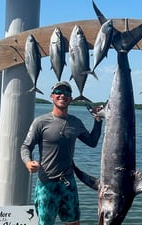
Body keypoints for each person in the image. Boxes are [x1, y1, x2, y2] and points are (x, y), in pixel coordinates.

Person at [21, 81, 103, 225]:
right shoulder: (40, 122)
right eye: (58, 92)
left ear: (71, 99)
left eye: (67, 93)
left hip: (68, 183)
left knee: (73, 222)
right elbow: (25, 147)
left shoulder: (75, 122)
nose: (62, 95)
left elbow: (92, 142)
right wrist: (28, 162)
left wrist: (97, 120)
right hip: (46, 184)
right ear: (52, 96)